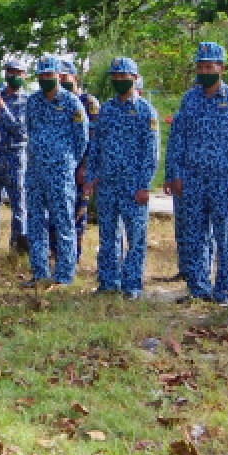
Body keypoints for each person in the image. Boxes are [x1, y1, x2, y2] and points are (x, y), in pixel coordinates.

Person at [164, 41, 228, 306]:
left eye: (208, 66)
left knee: (224, 235)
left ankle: (225, 290)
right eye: (200, 67)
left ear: (221, 68)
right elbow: (177, 138)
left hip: (224, 181)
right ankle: (198, 287)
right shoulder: (189, 98)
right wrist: (174, 174)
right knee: (194, 234)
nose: (203, 71)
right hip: (192, 179)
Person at [85, 57, 159, 298]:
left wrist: (145, 185)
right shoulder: (106, 109)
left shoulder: (145, 111)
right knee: (107, 236)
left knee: (135, 237)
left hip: (133, 185)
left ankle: (132, 286)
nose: (118, 80)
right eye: (114, 77)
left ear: (135, 79)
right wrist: (91, 175)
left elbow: (151, 151)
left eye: (123, 77)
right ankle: (108, 282)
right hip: (107, 184)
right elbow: (95, 145)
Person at [22, 54, 87, 286]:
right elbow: (30, 129)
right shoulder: (32, 102)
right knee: (36, 222)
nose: (45, 79)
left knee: (63, 223)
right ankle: (39, 273)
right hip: (35, 172)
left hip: (60, 173)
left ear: (59, 76)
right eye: (41, 75)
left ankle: (63, 276)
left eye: (49, 75)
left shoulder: (72, 103)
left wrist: (67, 162)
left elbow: (82, 140)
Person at [61, 58, 100, 263]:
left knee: (78, 211)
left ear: (75, 78)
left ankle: (74, 254)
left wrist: (85, 166)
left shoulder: (88, 102)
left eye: (64, 77)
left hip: (80, 167)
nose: (60, 81)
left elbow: (93, 137)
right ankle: (59, 253)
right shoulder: (56, 100)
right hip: (60, 167)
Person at [0, 55, 30, 255]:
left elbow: (20, 129)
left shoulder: (27, 101)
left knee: (19, 204)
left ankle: (18, 247)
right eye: (10, 72)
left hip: (16, 157)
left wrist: (2, 108)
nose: (13, 76)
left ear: (24, 75)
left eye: (18, 73)